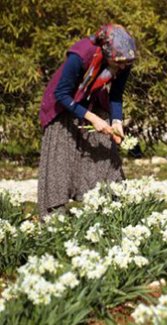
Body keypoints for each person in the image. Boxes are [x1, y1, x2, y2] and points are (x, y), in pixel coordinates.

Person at [38, 24, 136, 216]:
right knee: (61, 160)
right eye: (119, 63)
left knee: (106, 153)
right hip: (62, 104)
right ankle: (55, 219)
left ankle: (108, 209)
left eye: (126, 63)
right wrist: (93, 119)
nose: (123, 67)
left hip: (93, 100)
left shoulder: (124, 58)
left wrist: (116, 122)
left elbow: (116, 95)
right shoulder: (80, 55)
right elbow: (62, 93)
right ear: (107, 52)